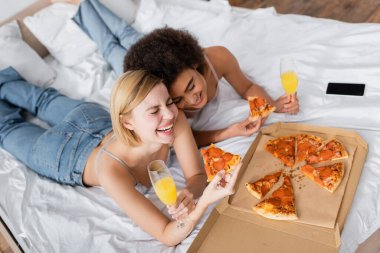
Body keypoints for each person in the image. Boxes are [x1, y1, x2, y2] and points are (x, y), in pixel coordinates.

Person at [0, 66, 241, 246]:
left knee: (43, 99)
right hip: (63, 154)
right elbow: (168, 235)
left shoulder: (171, 120)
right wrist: (204, 203)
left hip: (93, 120)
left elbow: (197, 175)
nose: (169, 114)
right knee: (7, 127)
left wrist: (192, 192)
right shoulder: (111, 169)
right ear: (127, 122)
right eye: (154, 110)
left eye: (168, 103)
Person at [69, 0, 299, 146]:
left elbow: (247, 87)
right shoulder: (162, 100)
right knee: (110, 47)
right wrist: (225, 133)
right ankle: (80, 4)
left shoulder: (218, 58)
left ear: (196, 63)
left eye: (191, 86)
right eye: (178, 99)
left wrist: (267, 105)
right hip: (143, 66)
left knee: (126, 33)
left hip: (156, 54)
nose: (192, 101)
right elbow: (185, 137)